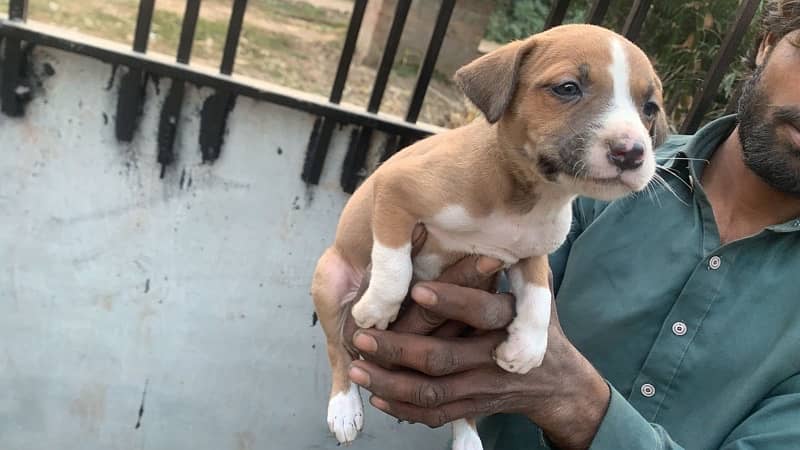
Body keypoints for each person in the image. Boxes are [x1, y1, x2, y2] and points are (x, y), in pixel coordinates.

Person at [340, 1, 800, 448]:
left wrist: (575, 402)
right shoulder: (570, 181)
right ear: (766, 43)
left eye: (646, 109)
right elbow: (413, 322)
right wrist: (383, 312)